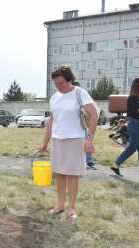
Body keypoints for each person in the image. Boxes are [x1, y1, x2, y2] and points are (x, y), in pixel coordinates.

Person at [40, 66, 98, 223]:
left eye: (61, 83)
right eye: (56, 83)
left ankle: (71, 209)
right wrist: (44, 142)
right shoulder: (54, 98)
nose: (59, 86)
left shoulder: (80, 93)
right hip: (58, 140)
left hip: (75, 139)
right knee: (60, 174)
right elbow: (52, 120)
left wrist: (89, 139)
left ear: (69, 80)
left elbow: (94, 114)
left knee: (72, 175)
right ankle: (60, 205)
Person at [111, 78, 139, 179]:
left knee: (131, 148)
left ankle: (115, 165)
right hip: (134, 125)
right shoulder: (132, 98)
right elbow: (132, 114)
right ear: (138, 85)